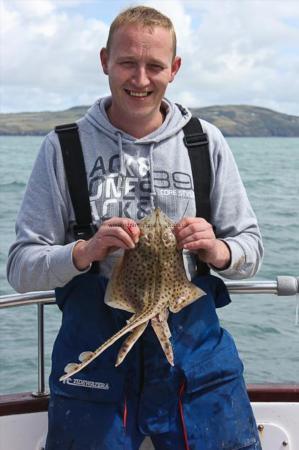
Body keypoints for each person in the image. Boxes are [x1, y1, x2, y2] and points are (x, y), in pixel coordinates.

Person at [7, 5, 263, 450]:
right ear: (105, 60)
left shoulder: (205, 143)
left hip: (196, 357)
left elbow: (250, 250)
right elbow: (20, 267)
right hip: (95, 354)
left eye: (154, 66)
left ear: (174, 69)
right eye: (127, 62)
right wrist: (82, 254)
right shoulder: (62, 148)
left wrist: (218, 250)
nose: (140, 79)